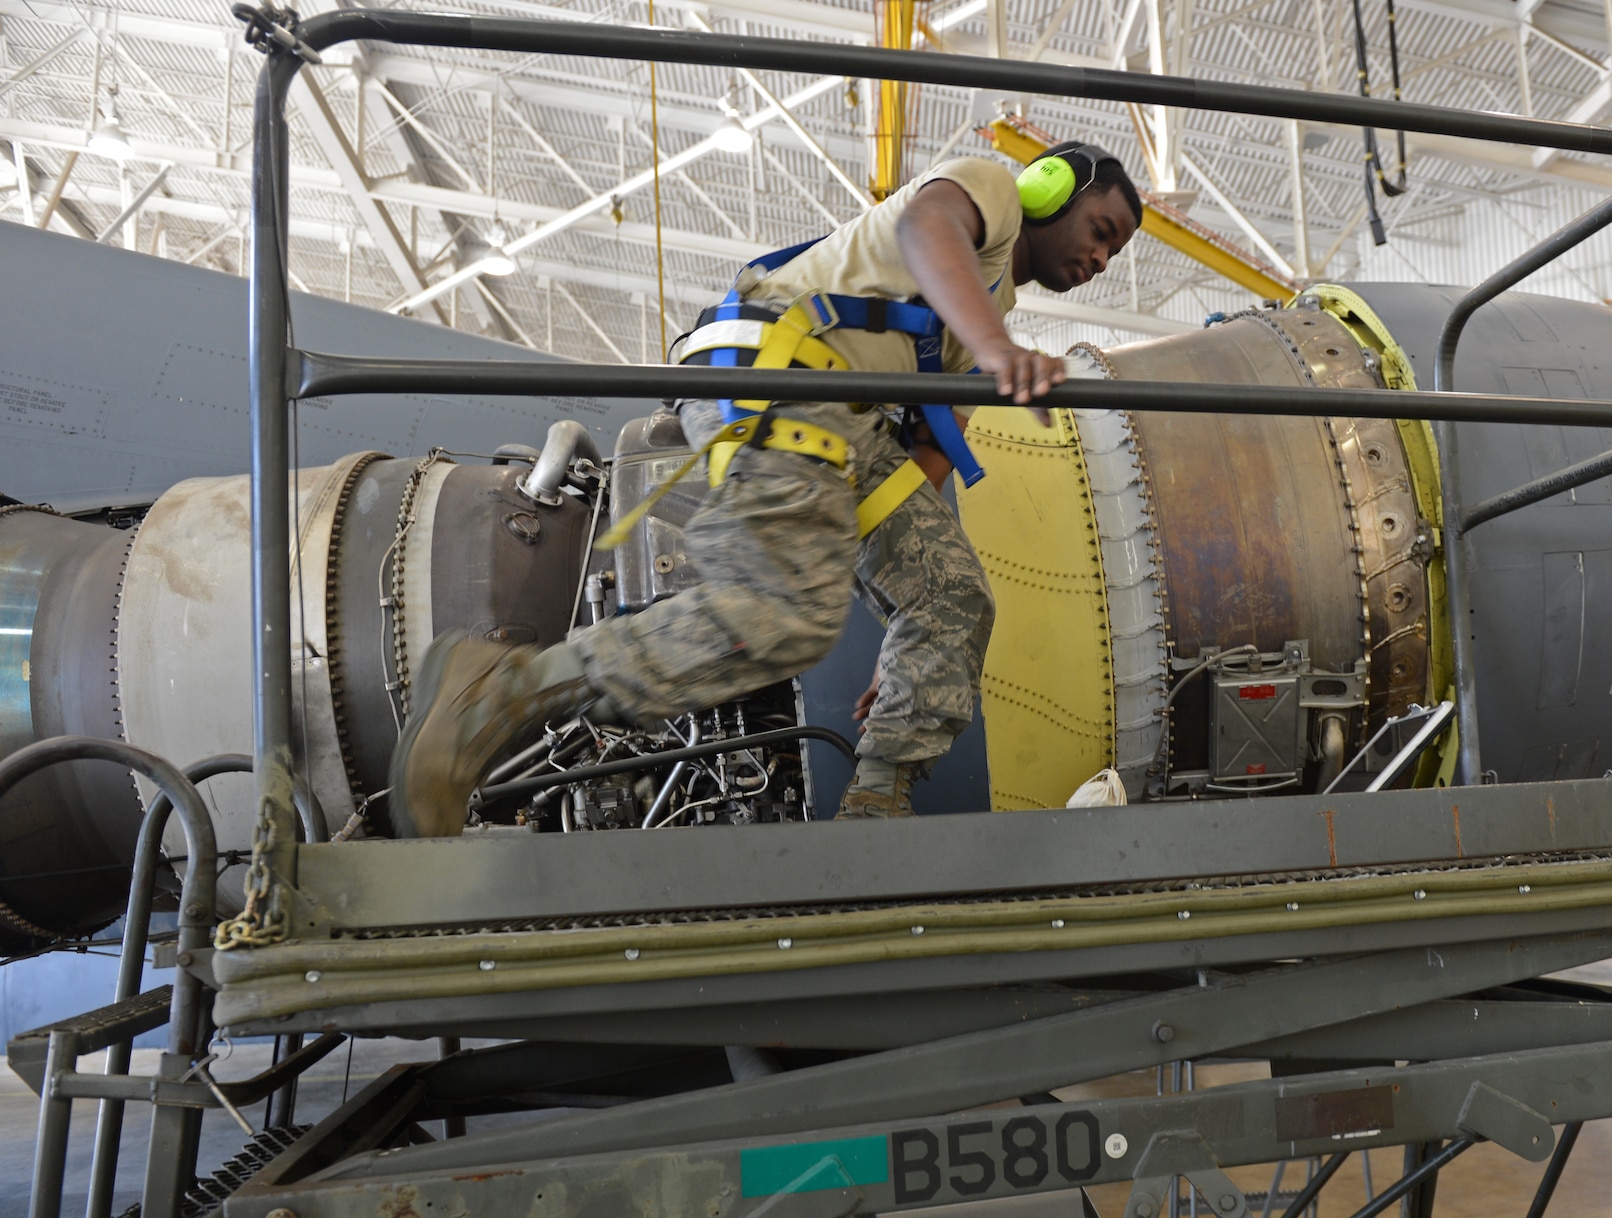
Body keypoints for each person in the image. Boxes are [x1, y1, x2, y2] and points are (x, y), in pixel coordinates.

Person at [390, 142, 1143, 836]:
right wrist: (996, 347)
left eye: (1115, 250)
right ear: (1052, 188)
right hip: (782, 371)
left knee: (952, 596)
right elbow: (927, 226)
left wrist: (906, 637)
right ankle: (502, 690)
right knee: (784, 614)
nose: (1102, 258)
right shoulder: (989, 195)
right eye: (1102, 229)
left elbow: (927, 453)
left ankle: (877, 801)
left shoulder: (988, 311)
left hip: (849, 424)